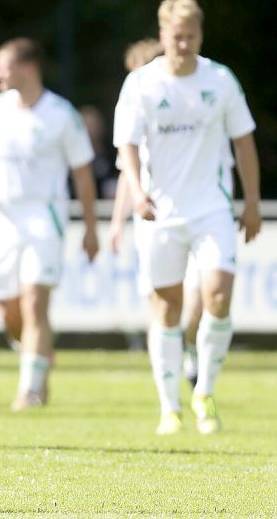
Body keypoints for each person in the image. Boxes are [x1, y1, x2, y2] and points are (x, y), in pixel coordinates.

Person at [113, 0, 261, 435]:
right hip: (159, 213)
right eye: (176, 37)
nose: (183, 45)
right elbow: (126, 145)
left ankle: (205, 393)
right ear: (162, 35)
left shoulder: (221, 80)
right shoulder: (141, 83)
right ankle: (169, 407)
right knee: (167, 309)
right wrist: (138, 193)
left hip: (212, 208)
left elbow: (244, 141)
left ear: (200, 35)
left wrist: (252, 201)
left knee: (218, 295)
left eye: (191, 36)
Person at [0, 37, 99, 411]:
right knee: (9, 312)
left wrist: (91, 227)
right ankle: (40, 355)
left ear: (28, 69)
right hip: (0, 222)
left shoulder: (61, 114)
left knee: (34, 302)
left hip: (44, 218)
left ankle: (29, 389)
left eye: (3, 66)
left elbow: (83, 174)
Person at [109, 37, 206, 388]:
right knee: (160, 304)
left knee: (198, 300)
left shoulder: (189, 109)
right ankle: (168, 389)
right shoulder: (134, 122)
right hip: (152, 221)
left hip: (193, 214)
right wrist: (117, 223)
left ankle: (190, 348)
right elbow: (127, 176)